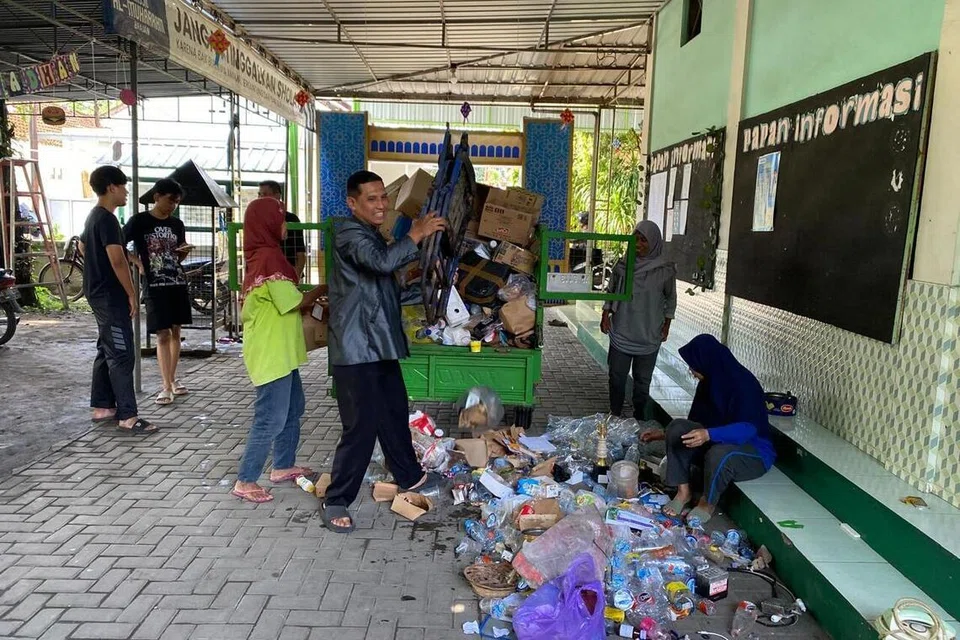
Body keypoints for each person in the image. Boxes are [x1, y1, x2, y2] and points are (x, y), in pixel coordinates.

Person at [321, 170, 446, 533]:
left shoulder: (372, 235)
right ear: (353, 203)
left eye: (383, 197)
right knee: (360, 427)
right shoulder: (347, 232)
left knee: (393, 410)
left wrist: (419, 267)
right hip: (356, 347)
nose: (381, 204)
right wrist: (415, 235)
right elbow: (380, 263)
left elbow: (383, 276)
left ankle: (410, 476)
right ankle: (337, 499)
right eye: (372, 198)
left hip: (378, 343)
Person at [232, 197, 326, 504]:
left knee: (293, 409)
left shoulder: (264, 256)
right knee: (270, 417)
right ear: (267, 224)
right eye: (281, 219)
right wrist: (326, 288)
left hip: (281, 353)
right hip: (271, 354)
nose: (285, 225)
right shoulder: (269, 259)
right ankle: (246, 480)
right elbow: (294, 301)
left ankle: (283, 465)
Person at [641, 334, 776, 524]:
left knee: (719, 454)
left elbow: (748, 429)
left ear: (707, 361)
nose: (691, 371)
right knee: (677, 427)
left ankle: (707, 503)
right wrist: (665, 434)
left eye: (693, 366)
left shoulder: (744, 385)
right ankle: (683, 493)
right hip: (715, 439)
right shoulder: (709, 382)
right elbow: (695, 422)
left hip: (751, 451)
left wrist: (709, 434)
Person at [79, 166, 157, 434]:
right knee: (122, 353)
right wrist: (131, 293)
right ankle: (128, 416)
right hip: (110, 296)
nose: (126, 192)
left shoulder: (94, 218)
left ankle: (102, 407)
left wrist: (128, 256)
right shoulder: (108, 220)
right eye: (123, 186)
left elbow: (83, 247)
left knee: (107, 348)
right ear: (111, 187)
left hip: (96, 292)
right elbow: (116, 260)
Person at [123, 179, 192, 405]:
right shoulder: (140, 221)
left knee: (175, 331)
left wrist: (183, 253)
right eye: (170, 200)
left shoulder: (177, 224)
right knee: (161, 334)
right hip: (154, 284)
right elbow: (118, 245)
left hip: (176, 281)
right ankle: (165, 385)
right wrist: (138, 263)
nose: (172, 205)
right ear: (156, 196)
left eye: (176, 202)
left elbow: (179, 252)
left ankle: (172, 379)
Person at [601, 220, 677, 420]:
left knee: (642, 381)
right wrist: (605, 314)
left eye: (644, 240)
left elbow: (670, 299)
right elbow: (611, 291)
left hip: (649, 333)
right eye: (635, 239)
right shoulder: (623, 265)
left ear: (654, 242)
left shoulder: (665, 270)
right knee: (616, 377)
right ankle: (615, 414)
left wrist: (667, 325)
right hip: (622, 330)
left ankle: (640, 417)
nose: (639, 244)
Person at [258, 180, 307, 278]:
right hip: (264, 276)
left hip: (287, 273)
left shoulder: (291, 219)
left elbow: (300, 254)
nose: (260, 198)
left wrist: (295, 277)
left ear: (277, 196)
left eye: (265, 194)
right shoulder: (257, 219)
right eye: (259, 194)